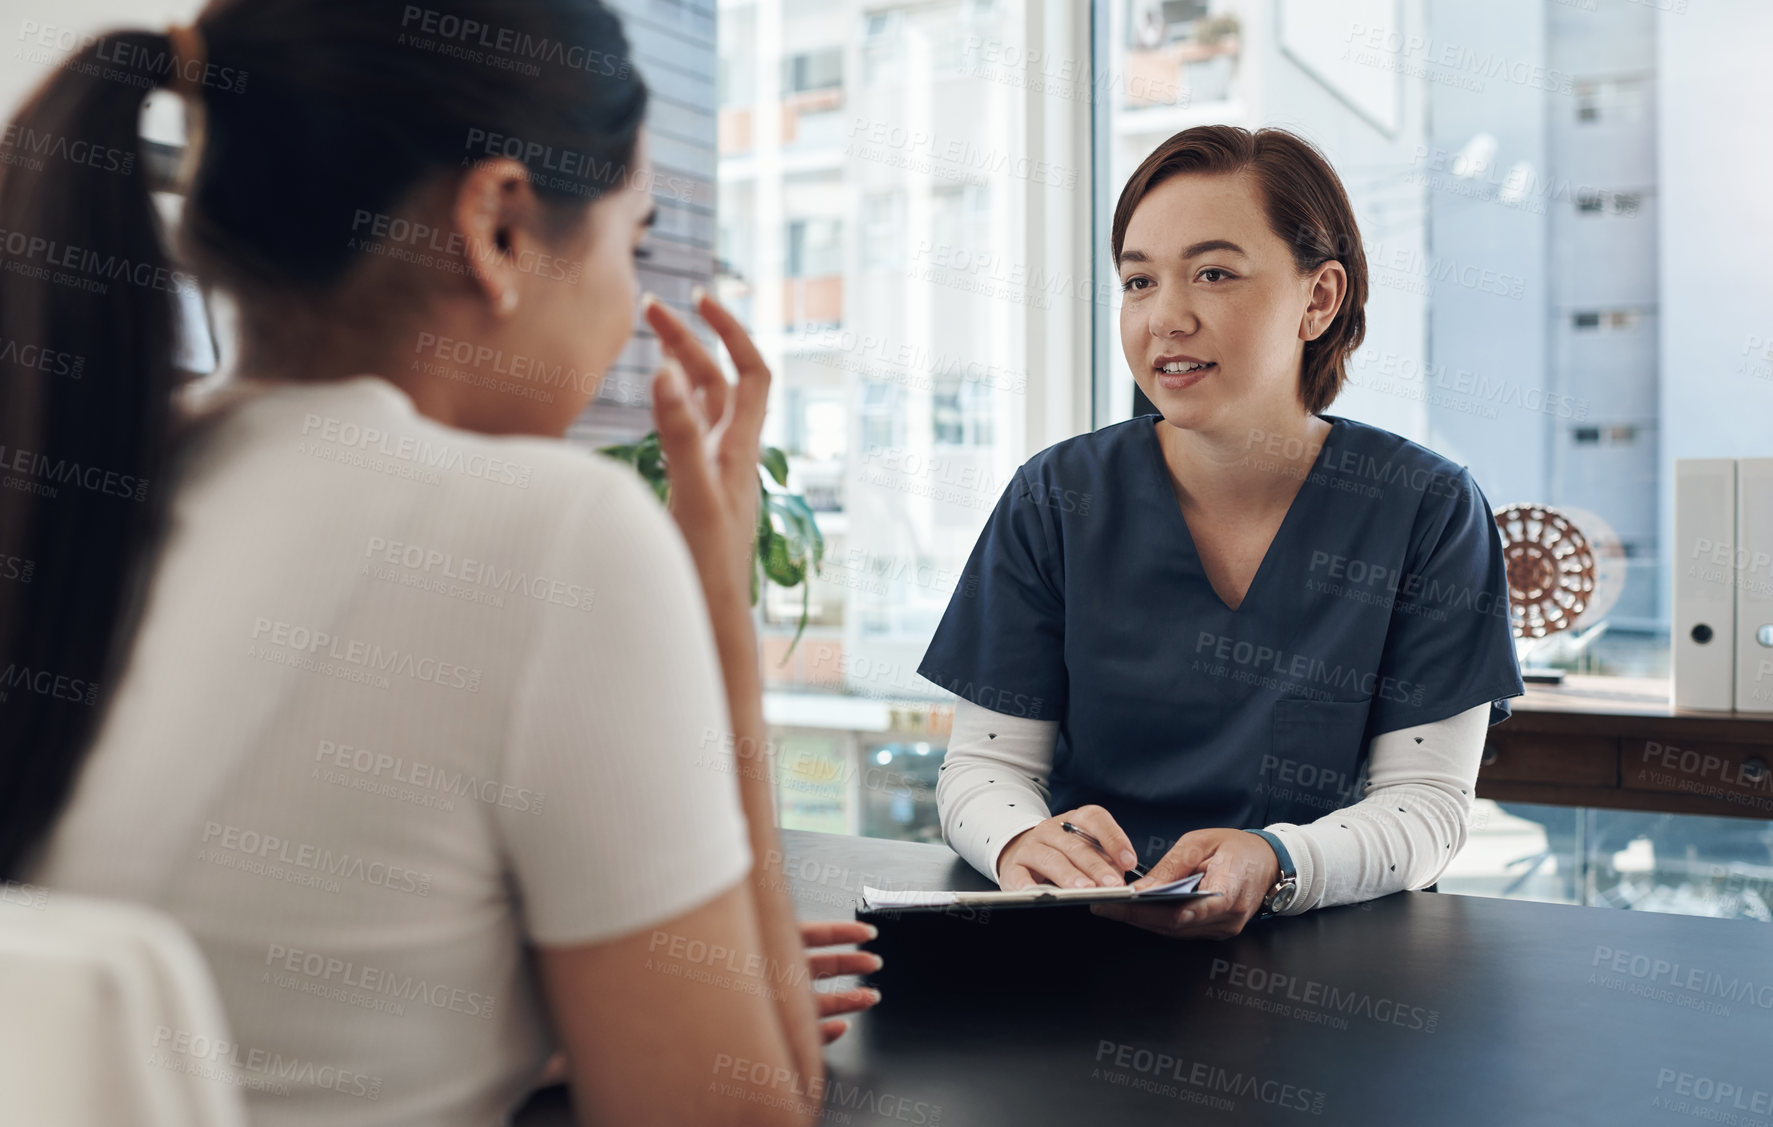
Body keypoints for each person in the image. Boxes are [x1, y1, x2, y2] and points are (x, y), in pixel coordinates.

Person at [0, 2, 874, 1123]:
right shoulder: (549, 534)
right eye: (634, 242)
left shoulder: (79, 481)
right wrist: (718, 610)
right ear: (501, 226)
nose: (628, 311)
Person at [917, 125, 1525, 940]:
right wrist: (1022, 839)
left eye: (1212, 273)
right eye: (1138, 281)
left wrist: (1279, 860)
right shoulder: (1056, 498)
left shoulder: (1426, 509)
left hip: (1329, 971)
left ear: (1318, 298)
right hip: (1079, 953)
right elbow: (987, 766)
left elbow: (1427, 807)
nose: (1165, 317)